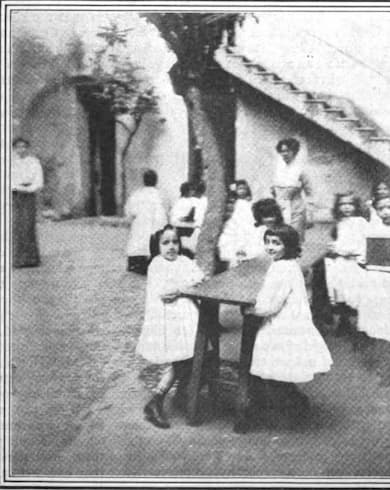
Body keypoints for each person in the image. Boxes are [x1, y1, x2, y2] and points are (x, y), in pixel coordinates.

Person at [244, 225, 332, 423]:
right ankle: (290, 402)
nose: (270, 247)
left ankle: (293, 405)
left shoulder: (281, 268)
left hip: (282, 324)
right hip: (292, 320)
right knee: (279, 368)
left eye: (276, 243)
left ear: (288, 245)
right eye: (267, 242)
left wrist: (252, 310)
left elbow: (270, 305)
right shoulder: (289, 264)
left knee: (274, 366)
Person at [136, 225, 205, 428]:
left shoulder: (184, 261)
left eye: (175, 242)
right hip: (169, 321)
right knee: (178, 360)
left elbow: (199, 277)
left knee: (191, 356)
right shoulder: (157, 265)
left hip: (186, 318)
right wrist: (185, 287)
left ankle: (182, 395)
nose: (171, 247)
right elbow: (166, 293)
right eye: (165, 243)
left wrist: (182, 288)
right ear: (157, 246)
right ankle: (156, 400)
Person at [324, 192, 368, 335]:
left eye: (350, 204)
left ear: (355, 206)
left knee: (357, 293)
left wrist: (359, 256)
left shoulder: (360, 222)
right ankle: (344, 322)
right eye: (343, 204)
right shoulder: (339, 224)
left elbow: (364, 242)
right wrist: (335, 247)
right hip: (341, 263)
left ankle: (364, 325)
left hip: (355, 262)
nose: (346, 208)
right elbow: (339, 243)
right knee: (340, 292)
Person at [357, 192, 390, 342]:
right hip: (377, 276)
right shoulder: (372, 230)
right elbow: (363, 255)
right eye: (381, 208)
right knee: (379, 312)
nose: (385, 212)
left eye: (389, 207)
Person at [125, 170, 167, 274]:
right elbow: (165, 212)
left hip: (140, 225)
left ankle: (136, 264)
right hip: (156, 226)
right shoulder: (161, 195)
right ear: (156, 181)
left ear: (143, 181)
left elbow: (130, 211)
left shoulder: (136, 194)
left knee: (137, 242)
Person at [271, 138, 313, 242]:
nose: (284, 154)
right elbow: (274, 190)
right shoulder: (278, 169)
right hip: (280, 208)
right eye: (282, 151)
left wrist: (310, 214)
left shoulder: (301, 169)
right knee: (279, 239)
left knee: (294, 239)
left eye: (287, 151)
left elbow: (310, 193)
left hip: (296, 209)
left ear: (294, 151)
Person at [11, 137, 44, 268]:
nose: (21, 150)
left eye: (24, 147)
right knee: (17, 225)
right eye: (18, 147)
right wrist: (17, 188)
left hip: (29, 195)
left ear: (28, 148)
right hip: (15, 195)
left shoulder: (33, 162)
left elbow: (38, 179)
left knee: (28, 225)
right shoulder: (10, 162)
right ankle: (18, 259)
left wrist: (30, 188)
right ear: (14, 149)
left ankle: (31, 259)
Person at [217, 180, 256, 267]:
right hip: (233, 230)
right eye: (239, 189)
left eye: (244, 189)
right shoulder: (234, 203)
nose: (242, 191)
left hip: (244, 228)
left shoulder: (248, 203)